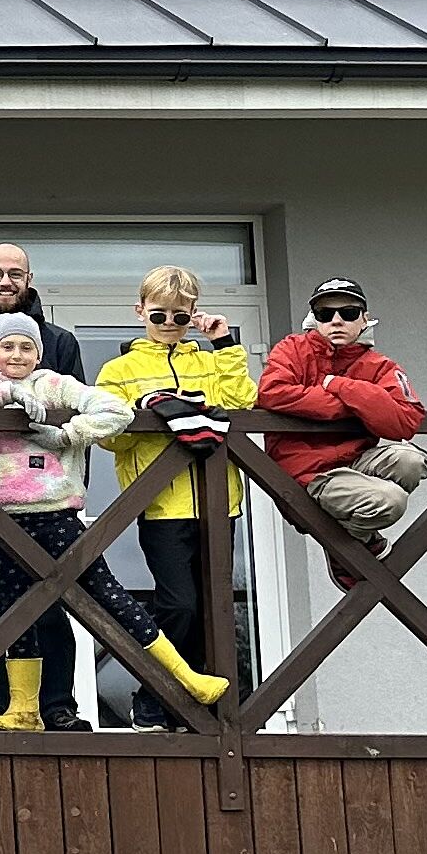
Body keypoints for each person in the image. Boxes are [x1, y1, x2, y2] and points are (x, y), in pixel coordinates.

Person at [0, 315, 221, 728]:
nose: (17, 355)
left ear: (39, 354)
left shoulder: (57, 384)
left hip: (55, 512)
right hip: (2, 519)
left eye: (26, 347)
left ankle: (185, 679)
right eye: (7, 347)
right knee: (16, 613)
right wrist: (9, 395)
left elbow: (114, 410)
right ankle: (23, 710)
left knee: (109, 596)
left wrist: (66, 434)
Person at [96, 266, 257, 727]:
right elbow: (110, 438)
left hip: (217, 500)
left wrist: (225, 344)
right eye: (159, 314)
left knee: (216, 604)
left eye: (180, 317)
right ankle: (154, 695)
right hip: (160, 502)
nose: (169, 324)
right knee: (179, 603)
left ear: (192, 316)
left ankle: (208, 705)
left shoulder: (208, 360)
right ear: (140, 311)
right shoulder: (119, 370)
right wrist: (151, 412)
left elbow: (242, 403)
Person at [0, 245, 89, 730]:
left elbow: (76, 417)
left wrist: (69, 486)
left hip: (50, 501)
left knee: (51, 601)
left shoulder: (60, 342)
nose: (6, 281)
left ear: (30, 278)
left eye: (15, 274)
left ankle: (57, 706)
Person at [258, 277, 427, 585]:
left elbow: (405, 422)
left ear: (365, 319)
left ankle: (347, 542)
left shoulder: (380, 365)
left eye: (349, 313)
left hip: (356, 463)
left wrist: (341, 386)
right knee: (391, 501)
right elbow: (272, 393)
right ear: (314, 319)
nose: (336, 320)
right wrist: (354, 405)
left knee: (412, 461)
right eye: (325, 313)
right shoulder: (292, 349)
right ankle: (356, 541)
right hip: (306, 473)